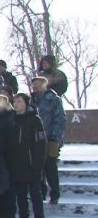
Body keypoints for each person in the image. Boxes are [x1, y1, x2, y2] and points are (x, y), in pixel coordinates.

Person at [8, 93, 47, 218]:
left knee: (35, 194)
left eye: (19, 101)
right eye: (14, 101)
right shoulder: (13, 120)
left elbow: (41, 143)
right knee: (21, 196)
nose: (16, 103)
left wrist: (38, 164)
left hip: (31, 164)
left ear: (26, 103)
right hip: (17, 165)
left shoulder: (34, 120)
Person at [31, 76, 66, 204]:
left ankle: (55, 193)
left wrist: (55, 138)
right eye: (33, 84)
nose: (35, 86)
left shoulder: (53, 99)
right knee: (38, 167)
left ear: (44, 85)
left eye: (38, 84)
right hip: (35, 139)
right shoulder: (31, 100)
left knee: (50, 167)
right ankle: (41, 192)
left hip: (51, 138)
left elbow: (60, 119)